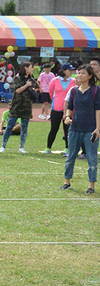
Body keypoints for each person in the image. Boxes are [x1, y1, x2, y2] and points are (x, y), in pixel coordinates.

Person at [61, 64, 100, 194]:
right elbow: (70, 106)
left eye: (83, 73)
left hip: (90, 129)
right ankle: (67, 182)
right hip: (74, 128)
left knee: (92, 157)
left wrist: (98, 129)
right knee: (71, 155)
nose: (79, 75)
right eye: (78, 73)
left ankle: (91, 186)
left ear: (90, 76)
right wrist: (67, 116)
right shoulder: (73, 90)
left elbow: (98, 110)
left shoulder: (95, 90)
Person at [0, 62, 38, 154]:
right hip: (16, 106)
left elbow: (38, 88)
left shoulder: (31, 79)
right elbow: (18, 90)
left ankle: (21, 147)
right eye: (31, 67)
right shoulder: (17, 78)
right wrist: (27, 85)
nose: (33, 69)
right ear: (25, 68)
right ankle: (3, 146)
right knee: (9, 126)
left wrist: (33, 89)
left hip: (27, 107)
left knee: (24, 128)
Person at [43, 63, 76, 154]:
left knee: (68, 129)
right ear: (64, 70)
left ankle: (67, 148)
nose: (71, 72)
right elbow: (51, 93)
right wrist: (56, 102)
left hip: (69, 109)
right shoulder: (55, 80)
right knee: (54, 128)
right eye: (69, 70)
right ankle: (48, 147)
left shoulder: (73, 81)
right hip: (56, 108)